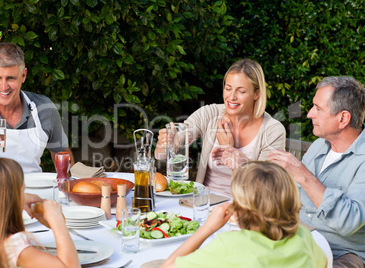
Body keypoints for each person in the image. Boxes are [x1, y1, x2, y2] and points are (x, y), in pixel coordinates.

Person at [268, 76, 365, 268]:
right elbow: (292, 198)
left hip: (342, 254)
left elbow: (348, 222)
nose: (309, 114)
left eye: (318, 108)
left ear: (343, 118)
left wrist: (304, 176)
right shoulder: (320, 145)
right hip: (300, 241)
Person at [155, 59, 285, 196]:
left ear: (257, 94)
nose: (232, 97)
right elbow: (165, 152)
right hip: (204, 203)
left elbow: (267, 190)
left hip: (247, 208)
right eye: (228, 88)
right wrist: (166, 143)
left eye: (241, 91)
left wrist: (230, 152)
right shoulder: (209, 114)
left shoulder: (273, 131)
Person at [161, 161, 327, 267]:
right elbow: (324, 263)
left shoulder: (229, 246)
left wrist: (207, 228)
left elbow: (168, 265)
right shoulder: (303, 236)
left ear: (239, 207)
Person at [0, 42, 74, 176]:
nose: (4, 87)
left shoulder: (44, 109)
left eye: (10, 78)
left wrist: (68, 187)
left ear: (23, 75)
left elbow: (61, 154)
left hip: (33, 194)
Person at [0, 157, 80, 268]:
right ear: (11, 199)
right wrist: (57, 222)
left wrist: (19, 198)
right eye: (22, 190)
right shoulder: (13, 245)